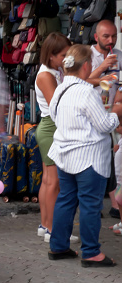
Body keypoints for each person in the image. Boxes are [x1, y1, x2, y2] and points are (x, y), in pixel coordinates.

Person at [47, 44, 122, 267]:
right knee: (90, 204)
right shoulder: (86, 92)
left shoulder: (60, 88)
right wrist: (116, 113)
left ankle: (58, 246)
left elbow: (53, 114)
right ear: (87, 65)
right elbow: (103, 125)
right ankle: (91, 252)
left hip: (64, 153)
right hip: (88, 157)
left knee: (66, 200)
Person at [34, 33, 78, 243]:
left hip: (49, 127)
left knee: (49, 180)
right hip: (51, 127)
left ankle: (45, 225)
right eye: (63, 55)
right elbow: (55, 106)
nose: (66, 59)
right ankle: (52, 229)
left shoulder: (53, 71)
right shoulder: (46, 75)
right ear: (51, 55)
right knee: (54, 182)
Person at [87, 20, 122, 221]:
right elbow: (80, 82)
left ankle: (115, 205)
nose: (111, 40)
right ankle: (93, 204)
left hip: (113, 114)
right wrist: (102, 67)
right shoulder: (86, 56)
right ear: (96, 37)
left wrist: (120, 95)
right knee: (94, 161)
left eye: (114, 36)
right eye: (106, 36)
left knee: (112, 159)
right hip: (91, 115)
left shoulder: (119, 55)